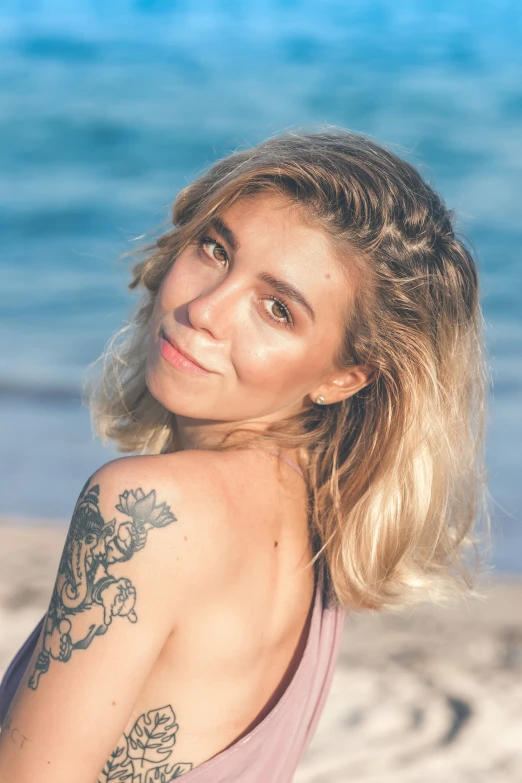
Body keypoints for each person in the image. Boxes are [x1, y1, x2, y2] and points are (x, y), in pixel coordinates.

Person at [0, 128, 488, 782]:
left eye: (277, 309)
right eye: (215, 249)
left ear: (346, 376)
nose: (205, 309)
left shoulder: (149, 511)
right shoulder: (317, 519)